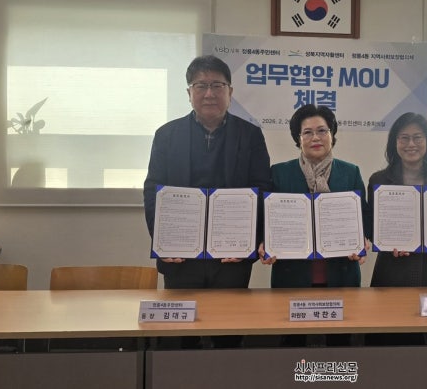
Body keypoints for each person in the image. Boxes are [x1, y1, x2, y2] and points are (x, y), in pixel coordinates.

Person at [143, 55, 272, 346]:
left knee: (227, 335)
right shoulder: (166, 135)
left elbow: (263, 188)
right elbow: (152, 190)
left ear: (230, 91)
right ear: (189, 92)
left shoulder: (250, 135)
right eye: (201, 85)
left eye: (217, 85)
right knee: (179, 339)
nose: (209, 93)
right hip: (180, 256)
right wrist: (163, 241)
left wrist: (249, 242)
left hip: (231, 257)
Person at [259, 104, 369, 346]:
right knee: (292, 344)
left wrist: (363, 241)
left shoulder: (350, 172)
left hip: (341, 273)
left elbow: (363, 218)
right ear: (298, 138)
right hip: (292, 275)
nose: (315, 137)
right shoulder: (279, 173)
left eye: (322, 130)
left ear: (332, 134)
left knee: (340, 344)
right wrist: (265, 243)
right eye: (307, 132)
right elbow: (267, 220)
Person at [366, 112, 427, 346]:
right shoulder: (379, 180)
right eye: (404, 138)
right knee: (392, 336)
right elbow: (372, 226)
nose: (411, 144)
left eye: (418, 137)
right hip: (393, 268)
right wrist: (384, 241)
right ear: (394, 143)